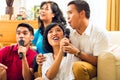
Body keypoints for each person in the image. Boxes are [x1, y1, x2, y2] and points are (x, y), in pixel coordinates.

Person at [66, 0, 110, 80]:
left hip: (92, 66)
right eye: (67, 14)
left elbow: (100, 62)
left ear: (82, 13)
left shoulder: (99, 33)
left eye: (70, 13)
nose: (67, 17)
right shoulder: (69, 32)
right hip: (73, 64)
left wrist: (77, 52)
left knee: (77, 66)